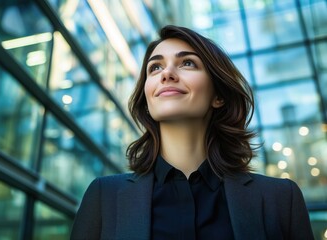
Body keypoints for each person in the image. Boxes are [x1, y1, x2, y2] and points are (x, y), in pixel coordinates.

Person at [70, 25, 314, 240]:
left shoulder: (281, 199)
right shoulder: (104, 196)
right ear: (147, 96)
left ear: (218, 96)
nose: (166, 74)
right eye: (155, 68)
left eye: (187, 63)